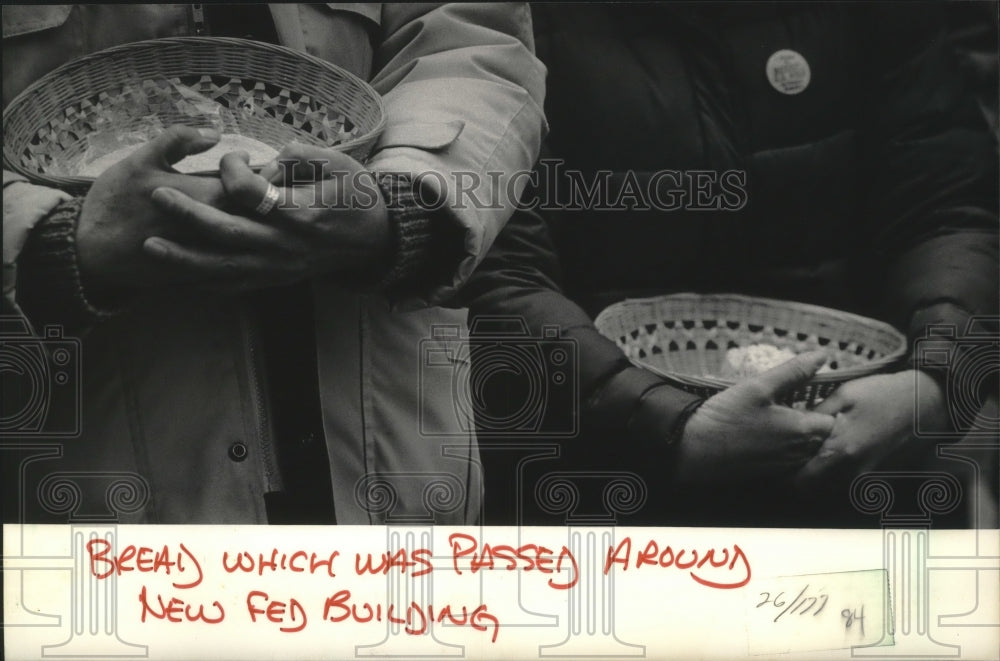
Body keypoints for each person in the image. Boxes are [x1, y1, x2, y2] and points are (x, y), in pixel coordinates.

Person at [456, 2, 998, 526]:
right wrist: (669, 428)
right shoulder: (517, 19)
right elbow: (495, 268)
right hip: (604, 495)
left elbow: (950, 207)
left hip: (865, 470)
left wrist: (934, 383)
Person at [2, 4, 546, 524]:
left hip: (388, 452)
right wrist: (52, 247)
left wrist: (402, 206)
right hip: (96, 483)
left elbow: (471, 40)